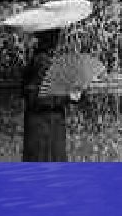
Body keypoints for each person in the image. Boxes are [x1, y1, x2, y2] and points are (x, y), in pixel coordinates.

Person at [22, 28, 81, 162]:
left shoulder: (41, 60)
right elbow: (35, 97)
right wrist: (67, 96)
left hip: (46, 126)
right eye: (56, 36)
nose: (58, 40)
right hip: (45, 128)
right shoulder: (41, 62)